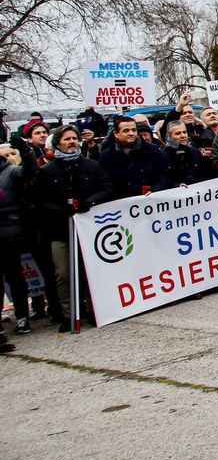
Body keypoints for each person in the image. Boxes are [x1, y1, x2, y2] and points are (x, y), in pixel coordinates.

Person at [36, 125, 111, 329]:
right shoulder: (47, 171)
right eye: (66, 139)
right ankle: (70, 314)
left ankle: (97, 310)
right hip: (60, 231)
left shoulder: (91, 166)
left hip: (89, 230)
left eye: (74, 138)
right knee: (63, 273)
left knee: (90, 272)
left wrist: (91, 202)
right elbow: (40, 200)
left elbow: (107, 188)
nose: (71, 142)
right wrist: (61, 209)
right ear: (58, 142)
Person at [1, 141, 60, 337]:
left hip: (28, 229)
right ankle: (22, 316)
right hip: (5, 236)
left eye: (12, 153)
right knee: (14, 277)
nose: (9, 157)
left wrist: (26, 152)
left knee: (46, 270)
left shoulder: (12, 171)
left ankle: (53, 308)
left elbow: (29, 170)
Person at [98, 116, 170, 198]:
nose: (131, 133)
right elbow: (104, 184)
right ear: (116, 134)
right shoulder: (106, 156)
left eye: (134, 130)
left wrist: (154, 189)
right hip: (121, 205)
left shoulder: (153, 150)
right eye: (126, 131)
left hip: (150, 202)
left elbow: (165, 175)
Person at [162, 120, 209, 186]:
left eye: (184, 132)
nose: (183, 135)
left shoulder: (195, 152)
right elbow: (162, 180)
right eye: (178, 133)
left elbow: (205, 174)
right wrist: (176, 186)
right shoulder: (162, 155)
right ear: (169, 136)